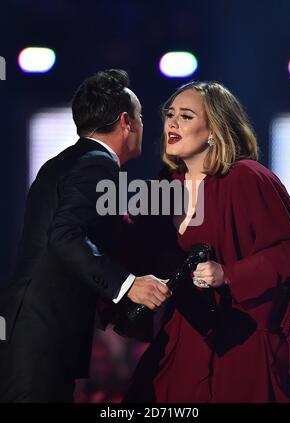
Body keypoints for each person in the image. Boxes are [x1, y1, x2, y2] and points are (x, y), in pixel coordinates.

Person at [123, 81, 290, 403]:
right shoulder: (163, 184)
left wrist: (229, 273)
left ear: (214, 131)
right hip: (182, 339)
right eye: (170, 114)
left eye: (186, 116)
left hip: (244, 341)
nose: (172, 123)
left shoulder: (248, 177)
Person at [0, 69, 170, 403]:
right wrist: (128, 284)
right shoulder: (97, 164)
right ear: (126, 121)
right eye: (140, 117)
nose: (142, 125)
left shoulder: (65, 161)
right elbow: (65, 235)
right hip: (41, 337)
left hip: (32, 330)